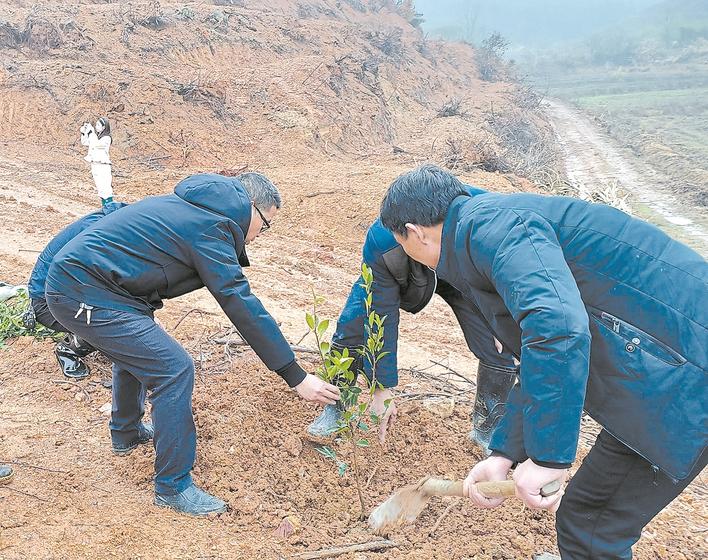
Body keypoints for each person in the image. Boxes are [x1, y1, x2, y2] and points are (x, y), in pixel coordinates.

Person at [379, 164, 707, 559]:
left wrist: (549, 457)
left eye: (402, 243)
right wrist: (505, 452)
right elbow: (540, 353)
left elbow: (558, 330)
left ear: (414, 232)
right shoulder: (489, 227)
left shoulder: (492, 230)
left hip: (682, 374)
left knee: (591, 523)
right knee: (590, 517)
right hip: (668, 368)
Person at [45, 173, 340, 516]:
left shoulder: (198, 211)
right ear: (250, 209)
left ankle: (126, 433)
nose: (261, 235)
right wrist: (296, 376)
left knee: (141, 353)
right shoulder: (211, 226)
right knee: (173, 368)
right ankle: (173, 486)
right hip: (83, 291)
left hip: (106, 290)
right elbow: (239, 302)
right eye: (265, 224)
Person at [307, 194, 518, 451]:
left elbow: (510, 271)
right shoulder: (385, 241)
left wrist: (503, 313)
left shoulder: (485, 218)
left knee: (499, 343)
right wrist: (380, 386)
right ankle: (337, 410)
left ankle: (487, 431)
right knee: (354, 324)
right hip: (407, 267)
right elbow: (381, 312)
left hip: (464, 275)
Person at [25, 201, 126, 380]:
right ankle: (68, 350)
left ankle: (95, 336)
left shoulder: (113, 221)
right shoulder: (100, 237)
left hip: (64, 292)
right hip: (48, 303)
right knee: (117, 324)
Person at [80, 117, 113, 206]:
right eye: (96, 125)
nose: (96, 127)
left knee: (105, 186)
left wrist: (92, 134)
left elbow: (98, 146)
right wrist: (84, 132)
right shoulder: (97, 137)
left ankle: (109, 206)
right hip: (95, 164)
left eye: (98, 125)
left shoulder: (107, 138)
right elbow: (85, 142)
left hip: (103, 165)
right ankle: (104, 206)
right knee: (100, 187)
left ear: (104, 127)